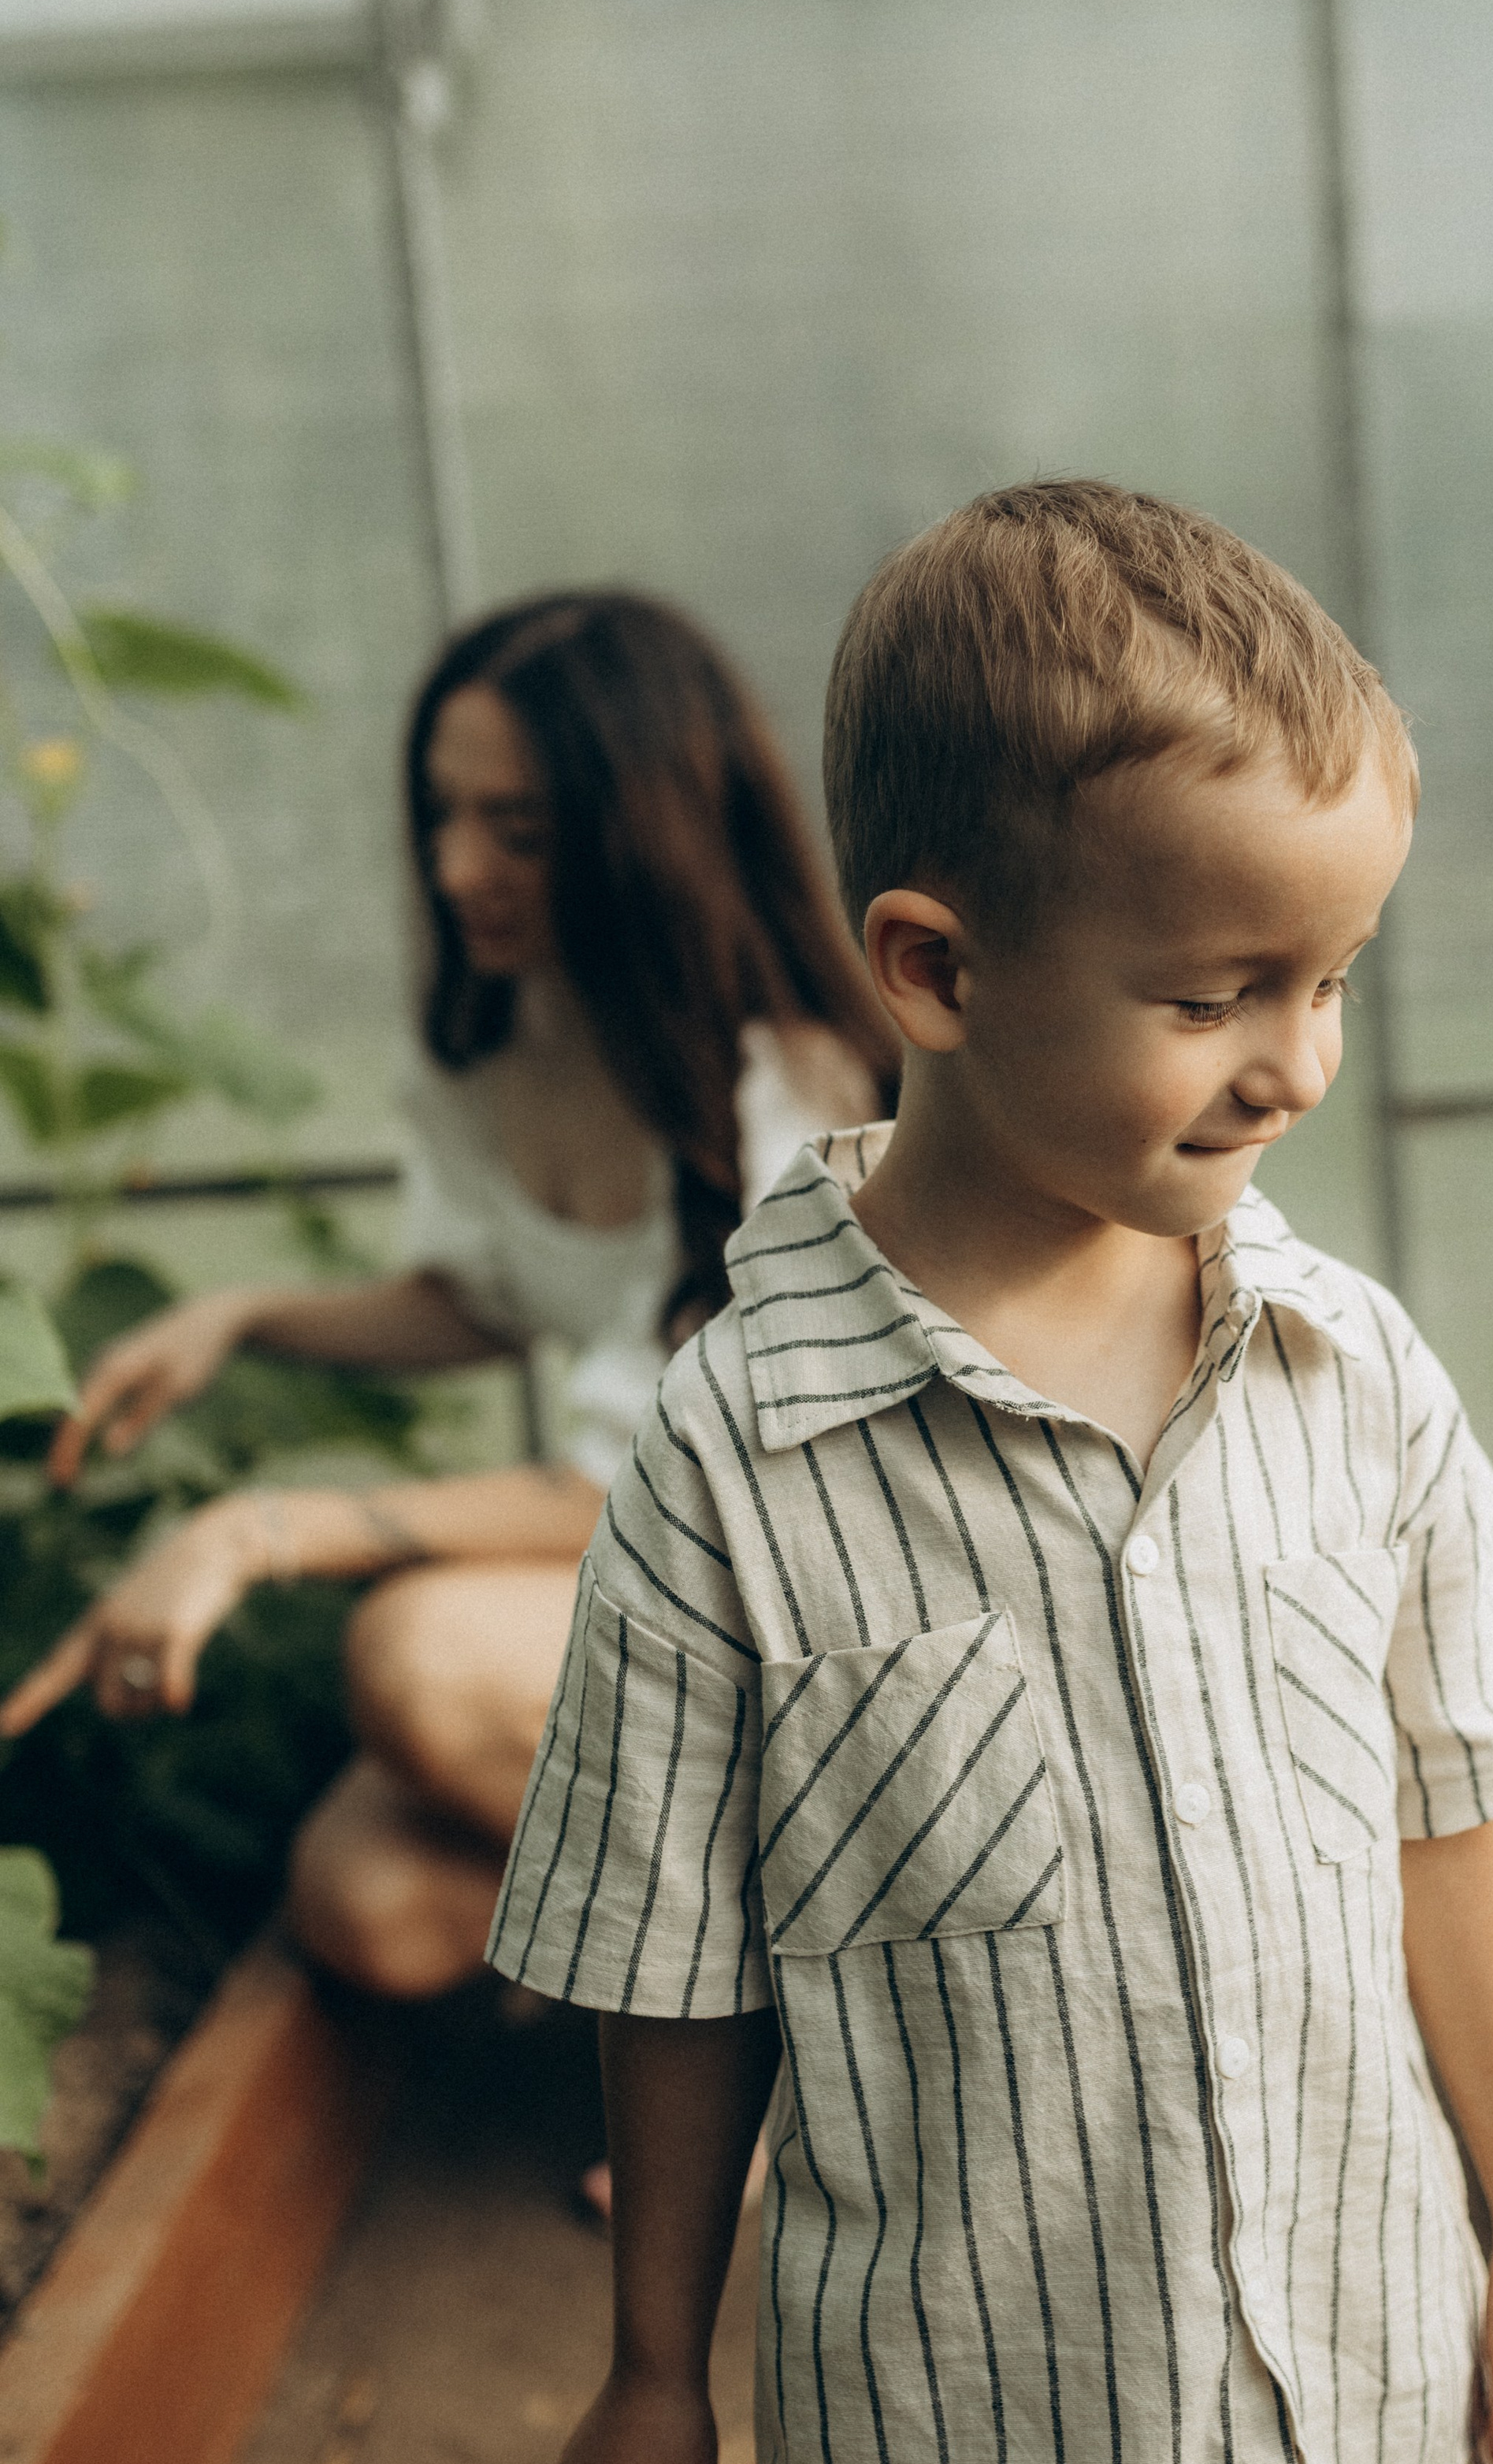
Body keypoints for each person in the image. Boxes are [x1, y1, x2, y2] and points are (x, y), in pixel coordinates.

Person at [488, 484, 1493, 2464]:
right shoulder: (740, 1460)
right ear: (933, 970)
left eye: (1330, 981)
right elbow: (675, 1977)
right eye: (1213, 998)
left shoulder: (1351, 1373)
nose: (1295, 1064)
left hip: (1380, 2461)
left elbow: (1454, 1818)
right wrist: (649, 2375)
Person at [0, 592, 890, 2014]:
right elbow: (489, 1294)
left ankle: (820, 2047)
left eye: (518, 830)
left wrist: (259, 1532)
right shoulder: (514, 1048)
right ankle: (781, 1965)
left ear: (642, 832)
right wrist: (247, 1318)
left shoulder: (798, 1092)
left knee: (418, 1655)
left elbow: (665, 1487)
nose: (458, 864)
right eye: (444, 814)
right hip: (696, 1622)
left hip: (840, 1630)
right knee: (369, 1900)